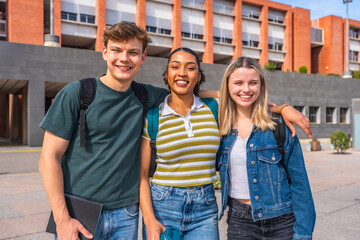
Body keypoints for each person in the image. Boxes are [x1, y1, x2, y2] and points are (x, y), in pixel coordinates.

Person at [139, 49, 314, 240]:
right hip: (170, 205)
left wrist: (282, 108)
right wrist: (148, 219)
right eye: (175, 67)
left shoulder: (214, 109)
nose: (182, 72)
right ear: (166, 74)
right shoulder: (156, 117)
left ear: (199, 76)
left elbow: (244, 98)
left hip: (209, 208)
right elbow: (141, 174)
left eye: (190, 68)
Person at [39, 22, 169, 239]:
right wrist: (62, 219)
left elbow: (186, 100)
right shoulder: (77, 93)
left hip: (127, 213)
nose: (124, 58)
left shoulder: (146, 96)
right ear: (105, 52)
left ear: (143, 58)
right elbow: (49, 157)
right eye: (117, 50)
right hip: (79, 213)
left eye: (133, 52)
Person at [217, 57, 316, 240]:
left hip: (281, 221)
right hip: (240, 222)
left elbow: (300, 184)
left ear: (261, 86)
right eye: (238, 83)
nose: (246, 89)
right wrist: (284, 107)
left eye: (253, 83)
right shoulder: (220, 128)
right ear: (227, 86)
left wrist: (303, 234)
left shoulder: (278, 126)